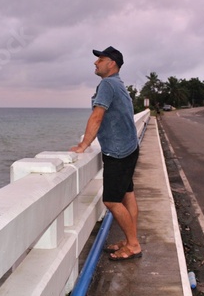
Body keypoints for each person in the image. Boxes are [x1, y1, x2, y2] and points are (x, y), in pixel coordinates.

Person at [70, 46, 142, 261]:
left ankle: (134, 246)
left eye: (100, 59)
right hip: (129, 148)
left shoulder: (107, 85)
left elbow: (97, 116)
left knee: (111, 200)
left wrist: (83, 145)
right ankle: (131, 240)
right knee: (127, 194)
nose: (95, 63)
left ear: (112, 63)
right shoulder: (117, 84)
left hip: (118, 152)